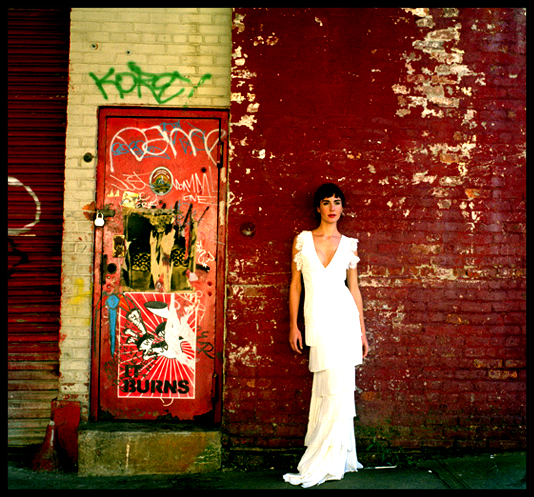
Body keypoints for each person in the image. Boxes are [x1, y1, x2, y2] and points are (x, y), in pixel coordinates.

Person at [283, 183, 369, 488]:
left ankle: (335, 458)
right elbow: (295, 285)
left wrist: (362, 331)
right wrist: (293, 325)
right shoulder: (302, 241)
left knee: (340, 388)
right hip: (318, 321)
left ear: (343, 208)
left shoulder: (349, 245)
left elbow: (354, 289)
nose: (332, 208)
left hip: (345, 321)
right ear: (317, 207)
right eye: (326, 202)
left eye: (337, 202)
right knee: (326, 387)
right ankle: (323, 454)